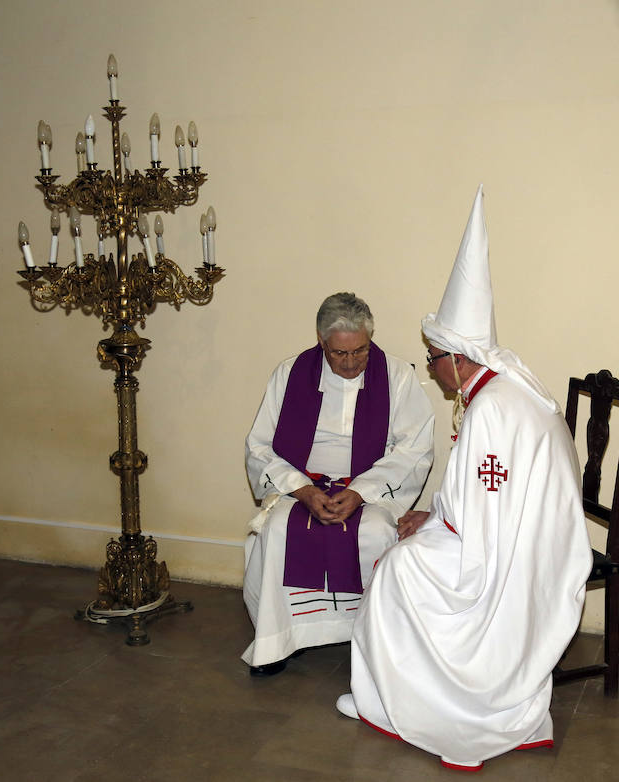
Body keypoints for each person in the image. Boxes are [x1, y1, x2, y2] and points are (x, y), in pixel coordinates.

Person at [336, 186, 593, 770]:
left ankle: (394, 702)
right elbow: (486, 498)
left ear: (456, 356)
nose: (431, 371)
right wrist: (439, 518)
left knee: (398, 567)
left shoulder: (491, 408)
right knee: (408, 549)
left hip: (512, 555)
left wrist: (428, 526)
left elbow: (479, 523)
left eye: (432, 360)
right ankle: (398, 692)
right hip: (531, 537)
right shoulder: (505, 392)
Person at [242, 292, 435, 676]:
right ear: (321, 341)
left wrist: (361, 490)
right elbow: (259, 445)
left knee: (376, 529)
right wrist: (302, 489)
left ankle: (374, 641)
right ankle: (280, 640)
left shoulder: (397, 376)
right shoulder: (290, 373)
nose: (350, 363)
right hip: (302, 486)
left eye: (359, 352)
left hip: (369, 487)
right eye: (339, 354)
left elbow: (415, 449)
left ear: (370, 337)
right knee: (280, 527)